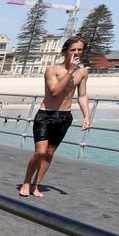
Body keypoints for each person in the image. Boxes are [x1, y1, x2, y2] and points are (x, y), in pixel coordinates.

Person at [20, 36, 91, 197]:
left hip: (64, 117)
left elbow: (82, 95)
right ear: (65, 51)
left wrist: (87, 116)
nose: (76, 53)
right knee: (40, 152)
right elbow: (55, 91)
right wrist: (71, 71)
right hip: (46, 115)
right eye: (73, 50)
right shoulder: (52, 70)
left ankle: (35, 185)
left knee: (50, 153)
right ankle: (26, 181)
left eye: (80, 49)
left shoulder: (83, 72)